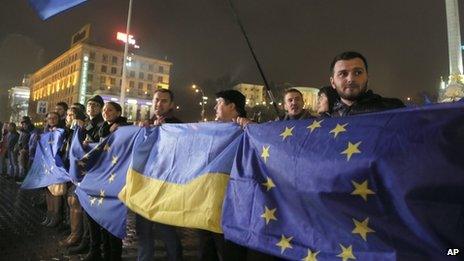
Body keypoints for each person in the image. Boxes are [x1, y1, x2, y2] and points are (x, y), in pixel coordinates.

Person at [137, 89, 184, 261]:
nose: (159, 104)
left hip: (166, 187)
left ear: (171, 104)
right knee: (143, 231)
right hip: (144, 186)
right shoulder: (145, 124)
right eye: (156, 100)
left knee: (167, 230)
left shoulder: (179, 126)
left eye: (164, 101)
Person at [84, 101, 129, 261]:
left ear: (118, 113)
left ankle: (114, 256)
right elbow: (98, 145)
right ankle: (102, 253)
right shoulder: (102, 128)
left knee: (112, 219)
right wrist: (89, 144)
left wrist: (118, 131)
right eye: (104, 110)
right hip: (101, 177)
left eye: (110, 110)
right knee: (101, 218)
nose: (106, 112)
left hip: (115, 180)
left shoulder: (125, 127)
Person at [329, 51, 405, 116]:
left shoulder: (392, 108)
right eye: (342, 74)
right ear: (332, 82)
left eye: (358, 72)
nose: (350, 79)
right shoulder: (325, 118)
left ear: (367, 78)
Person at [59, 106, 87, 248]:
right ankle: (73, 233)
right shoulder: (69, 132)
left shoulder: (80, 129)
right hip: (69, 171)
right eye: (67, 115)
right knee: (70, 202)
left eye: (71, 115)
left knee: (74, 201)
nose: (67, 117)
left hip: (79, 173)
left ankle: (76, 236)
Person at [42, 112, 66, 228]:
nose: (52, 120)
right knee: (48, 191)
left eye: (54, 118)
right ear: (46, 120)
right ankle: (49, 214)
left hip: (57, 165)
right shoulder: (45, 132)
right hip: (47, 165)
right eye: (49, 118)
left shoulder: (61, 131)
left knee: (56, 192)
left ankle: (56, 216)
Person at [15, 116, 37, 181]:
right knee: (21, 164)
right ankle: (21, 175)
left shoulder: (32, 131)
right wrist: (18, 146)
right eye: (22, 124)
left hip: (28, 151)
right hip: (21, 150)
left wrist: (25, 148)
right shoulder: (22, 131)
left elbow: (32, 141)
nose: (23, 125)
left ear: (28, 123)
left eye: (24, 124)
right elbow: (20, 140)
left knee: (25, 165)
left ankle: (24, 177)